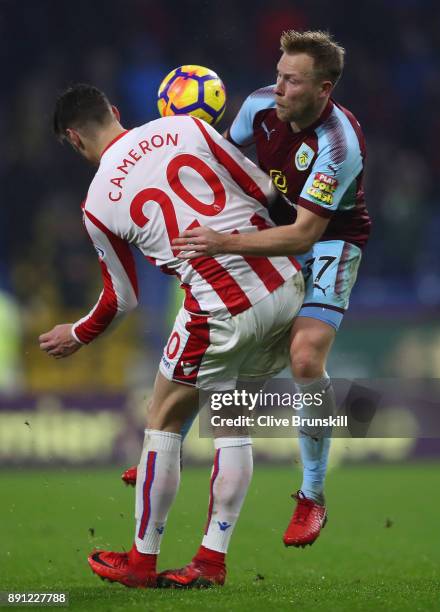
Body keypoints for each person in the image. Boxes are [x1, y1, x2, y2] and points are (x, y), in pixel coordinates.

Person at [39, 84, 304, 588]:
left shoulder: (97, 203)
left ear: (74, 139)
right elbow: (267, 195)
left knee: (162, 418)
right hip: (284, 285)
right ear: (115, 113)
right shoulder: (188, 125)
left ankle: (141, 563)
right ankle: (210, 558)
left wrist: (77, 333)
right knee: (231, 421)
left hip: (219, 306)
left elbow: (121, 300)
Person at [172, 30, 371, 548]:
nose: (277, 88)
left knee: (305, 357)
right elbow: (225, 162)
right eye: (278, 75)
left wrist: (223, 240)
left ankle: (312, 495)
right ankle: (164, 441)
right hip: (267, 224)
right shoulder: (258, 106)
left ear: (323, 89)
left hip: (330, 239)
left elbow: (307, 233)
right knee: (226, 327)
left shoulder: (339, 142)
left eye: (292, 81)